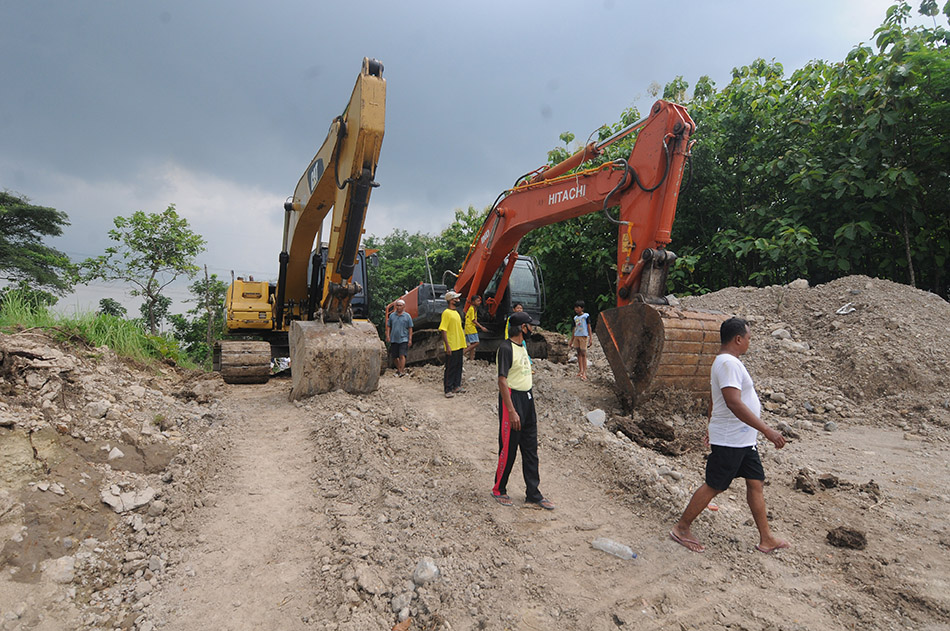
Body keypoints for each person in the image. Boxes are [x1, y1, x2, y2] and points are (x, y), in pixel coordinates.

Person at [669, 317, 789, 554]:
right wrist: (767, 430)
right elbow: (733, 402)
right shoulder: (728, 364)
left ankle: (766, 538)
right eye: (748, 338)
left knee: (755, 483)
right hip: (731, 439)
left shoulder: (726, 363)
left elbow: (715, 398)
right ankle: (681, 528)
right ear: (738, 339)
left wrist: (710, 424)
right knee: (715, 485)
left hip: (743, 440)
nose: (749, 343)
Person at [491, 311, 554, 510]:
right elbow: (502, 380)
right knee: (509, 449)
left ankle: (533, 494)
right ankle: (499, 489)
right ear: (522, 328)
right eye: (530, 326)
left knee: (530, 450)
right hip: (513, 399)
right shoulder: (505, 348)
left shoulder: (522, 346)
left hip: (527, 399)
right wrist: (511, 411)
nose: (532, 329)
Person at [439, 290, 467, 398]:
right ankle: (448, 389)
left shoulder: (456, 313)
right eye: (456, 298)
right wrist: (448, 345)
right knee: (450, 368)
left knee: (458, 366)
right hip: (452, 345)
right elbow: (443, 330)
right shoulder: (446, 313)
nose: (458, 300)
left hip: (459, 344)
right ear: (451, 300)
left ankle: (457, 385)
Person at [385, 299, 413, 377]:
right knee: (394, 357)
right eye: (397, 305)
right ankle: (400, 369)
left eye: (400, 305)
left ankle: (400, 371)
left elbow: (410, 328)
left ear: (404, 306)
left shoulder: (407, 316)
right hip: (394, 338)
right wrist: (387, 336)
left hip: (404, 338)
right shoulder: (392, 316)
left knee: (402, 355)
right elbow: (388, 327)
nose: (399, 307)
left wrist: (410, 339)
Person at [570, 301, 592, 381]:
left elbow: (589, 327)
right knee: (578, 353)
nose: (576, 309)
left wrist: (590, 338)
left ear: (582, 308)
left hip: (584, 336)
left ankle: (584, 372)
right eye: (575, 307)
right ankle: (580, 370)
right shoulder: (575, 318)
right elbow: (574, 329)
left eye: (578, 307)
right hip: (577, 336)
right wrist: (571, 340)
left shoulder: (586, 316)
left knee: (583, 353)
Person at [464, 295, 489, 361]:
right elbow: (473, 320)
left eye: (479, 301)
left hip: (471, 327)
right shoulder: (472, 309)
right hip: (470, 328)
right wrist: (482, 327)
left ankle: (472, 359)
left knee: (473, 344)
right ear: (473, 302)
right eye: (477, 301)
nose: (479, 302)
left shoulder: (474, 309)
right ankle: (464, 352)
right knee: (476, 343)